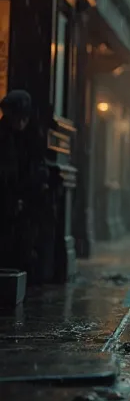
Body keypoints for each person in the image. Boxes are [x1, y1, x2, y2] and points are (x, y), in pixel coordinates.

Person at [0, 90, 49, 282]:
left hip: (28, 197)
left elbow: (36, 166)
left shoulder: (33, 135)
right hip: (7, 195)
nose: (20, 123)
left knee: (25, 242)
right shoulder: (4, 135)